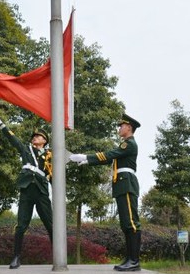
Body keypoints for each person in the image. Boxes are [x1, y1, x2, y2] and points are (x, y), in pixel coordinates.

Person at [69, 113, 141, 272]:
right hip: (122, 185)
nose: (119, 128)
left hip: (127, 184)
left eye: (122, 126)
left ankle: (134, 261)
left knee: (131, 224)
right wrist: (87, 161)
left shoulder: (129, 144)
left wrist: (86, 156)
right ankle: (130, 259)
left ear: (129, 128)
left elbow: (111, 154)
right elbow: (110, 159)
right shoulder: (124, 144)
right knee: (125, 224)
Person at [0, 115, 53, 269]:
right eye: (34, 136)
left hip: (41, 192)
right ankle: (16, 257)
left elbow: (53, 176)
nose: (35, 138)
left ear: (44, 141)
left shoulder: (49, 156)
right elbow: (13, 139)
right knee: (21, 225)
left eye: (38, 136)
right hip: (26, 190)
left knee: (51, 225)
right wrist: (2, 126)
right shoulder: (26, 149)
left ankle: (58, 256)